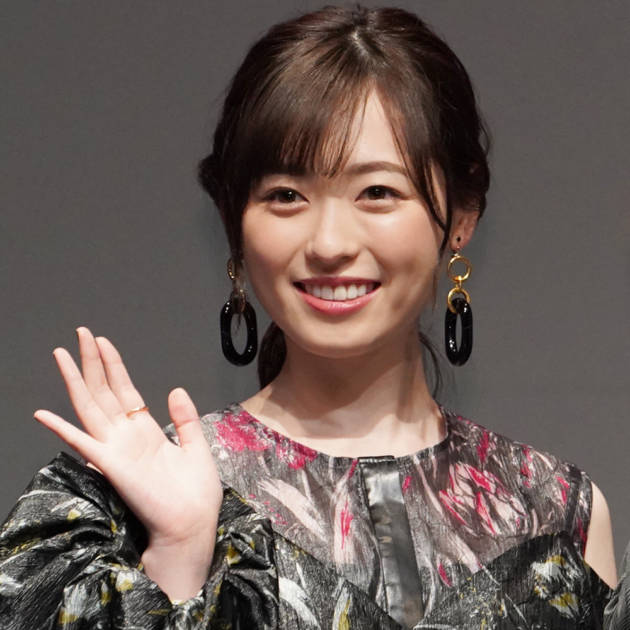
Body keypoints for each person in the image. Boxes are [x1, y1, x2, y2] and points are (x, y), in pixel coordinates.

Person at [0, 5, 619, 628]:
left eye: (377, 192)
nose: (328, 243)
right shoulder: (126, 500)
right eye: (285, 196)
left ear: (461, 216)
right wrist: (179, 557)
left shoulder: (555, 510)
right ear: (234, 224)